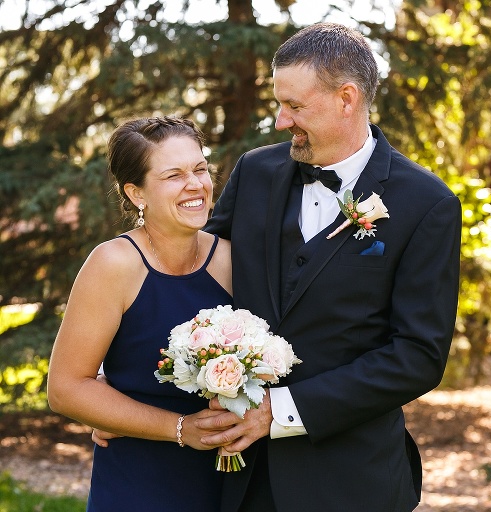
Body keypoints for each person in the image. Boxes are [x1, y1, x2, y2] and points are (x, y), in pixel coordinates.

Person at [199, 22, 462, 512]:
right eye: (279, 103)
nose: (281, 121)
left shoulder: (427, 204)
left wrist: (278, 412)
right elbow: (194, 276)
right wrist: (117, 384)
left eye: (295, 106)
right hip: (239, 481)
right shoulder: (255, 172)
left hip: (351, 482)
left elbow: (417, 356)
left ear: (347, 98)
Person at [47, 116, 233, 511]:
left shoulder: (233, 258)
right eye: (173, 175)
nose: (196, 184)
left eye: (200, 169)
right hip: (139, 483)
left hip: (231, 483)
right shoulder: (114, 264)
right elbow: (66, 388)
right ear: (136, 193)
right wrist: (181, 429)